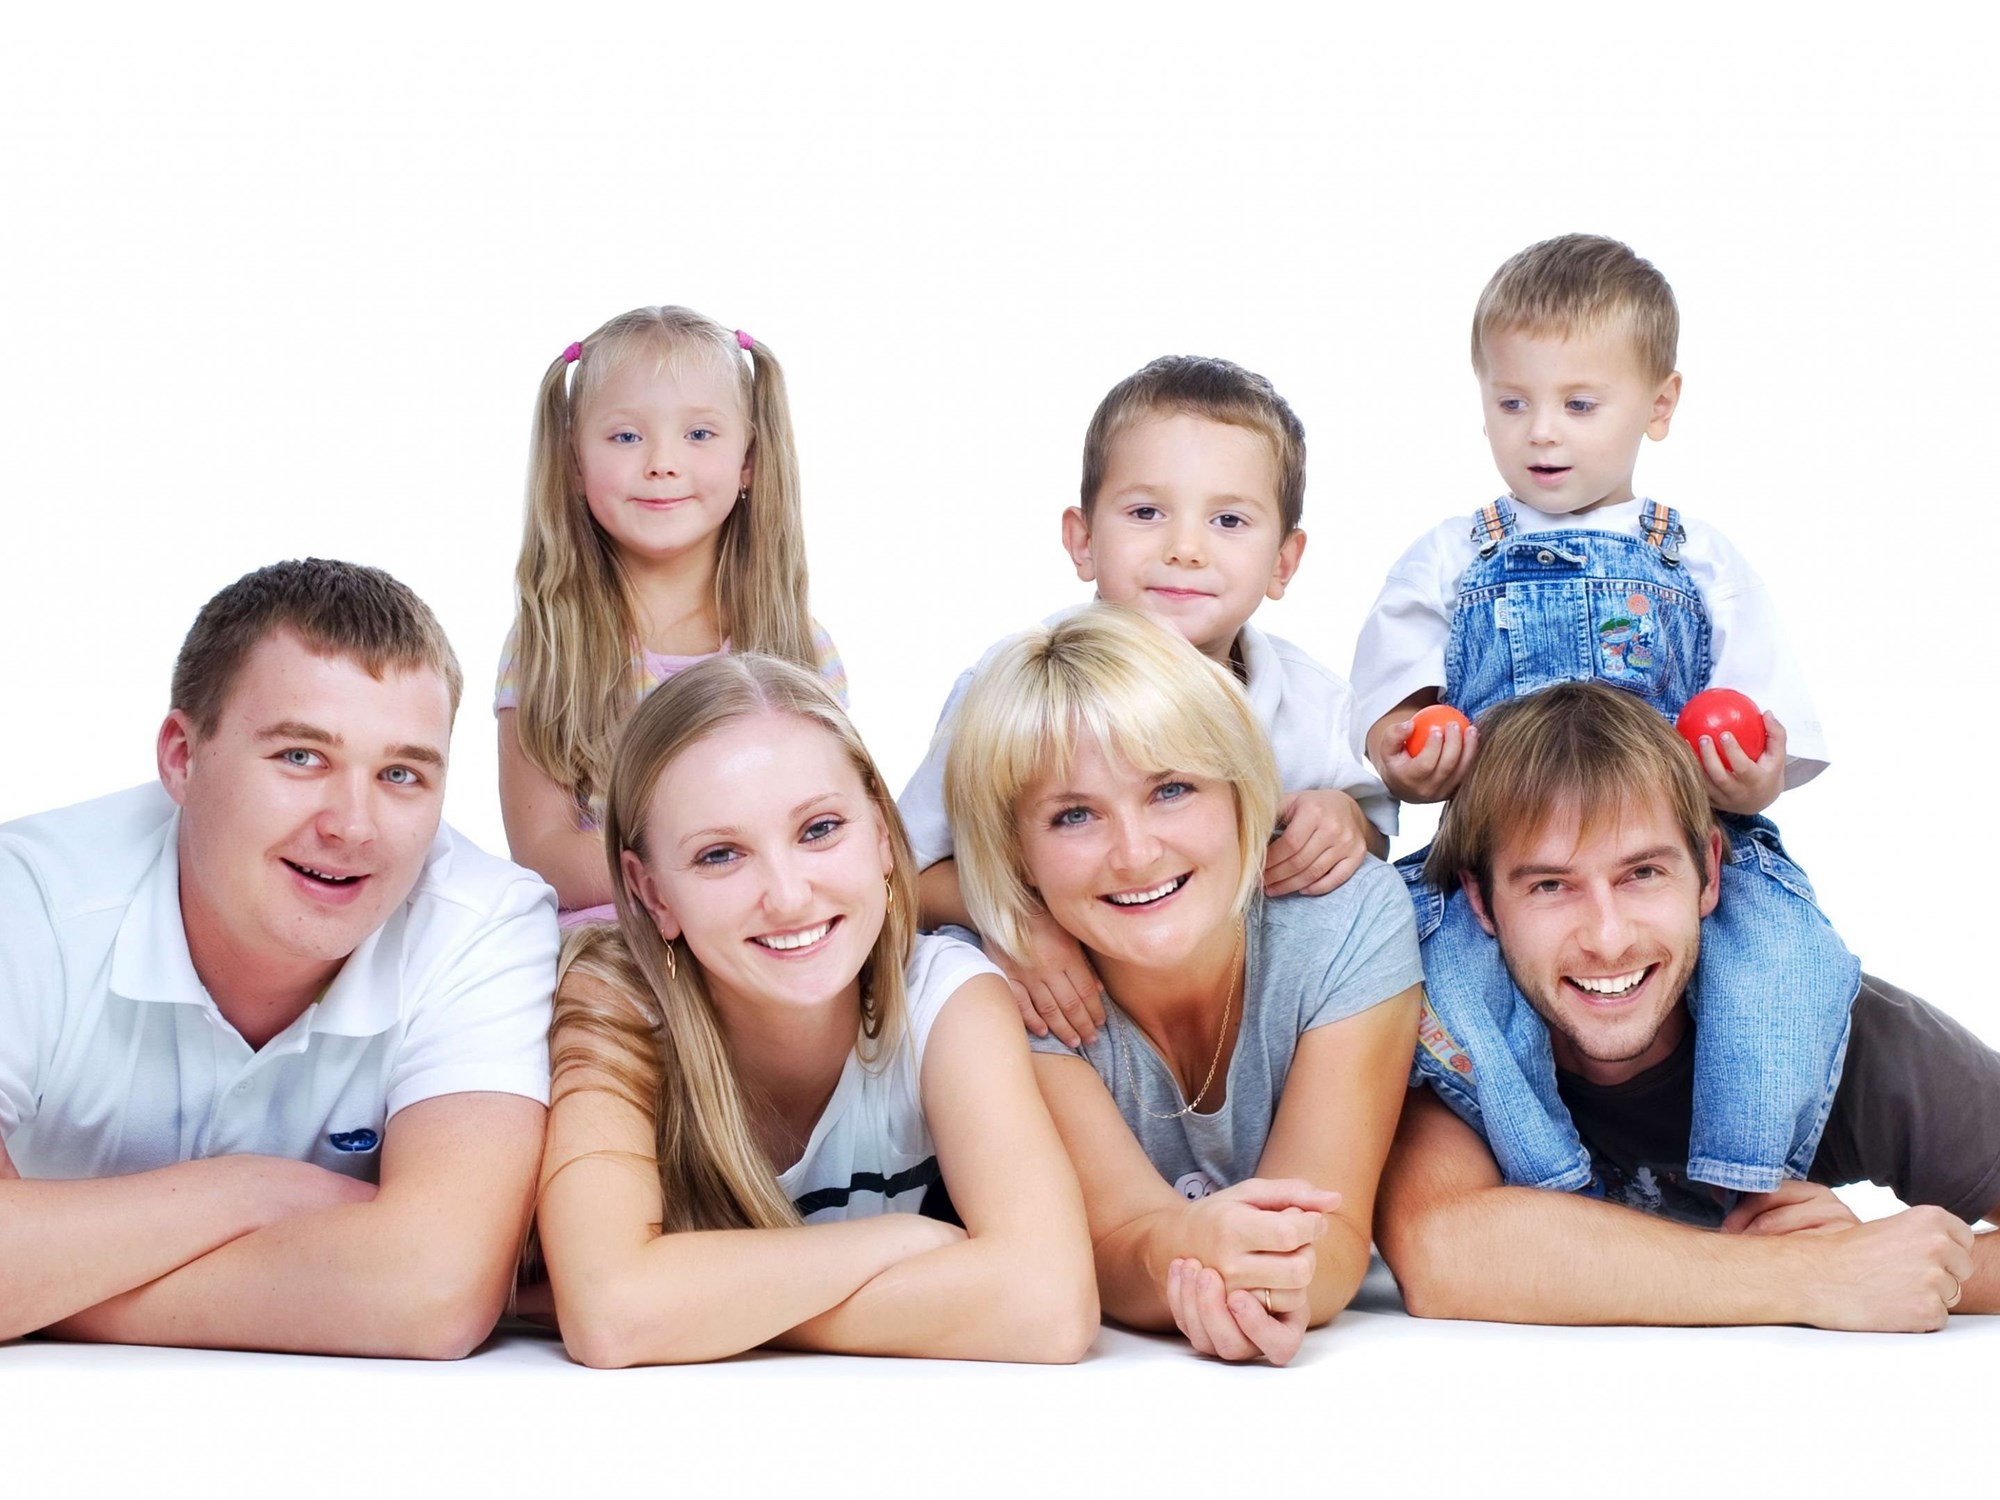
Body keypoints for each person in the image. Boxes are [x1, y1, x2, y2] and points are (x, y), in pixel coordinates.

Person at [1350, 234, 1853, 1196]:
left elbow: (1765, 725)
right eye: (1513, 403)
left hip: (1674, 848)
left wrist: (1750, 777)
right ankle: (1549, 1180)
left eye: (1580, 405)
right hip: (1506, 860)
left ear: (1659, 405)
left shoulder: (1695, 558)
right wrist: (1407, 753)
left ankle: (1742, 1178)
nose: (1542, 434)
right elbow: (1386, 707)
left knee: (1788, 966)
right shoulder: (1451, 557)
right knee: (1440, 991)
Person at [0, 559, 557, 1355]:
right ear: (182, 757)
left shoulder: (483, 923)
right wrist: (254, 1190)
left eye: (401, 774)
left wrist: (38, 1289)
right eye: (301, 756)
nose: (352, 826)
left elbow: (434, 1289)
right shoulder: (29, 900)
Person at [532, 653, 1096, 1367]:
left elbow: (1050, 1305)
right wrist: (903, 1242)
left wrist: (699, 1312)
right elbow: (612, 1314)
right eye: (719, 855)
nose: (789, 896)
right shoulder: (614, 1002)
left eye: (820, 829)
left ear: (883, 833)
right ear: (652, 894)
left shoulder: (946, 1000)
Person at [1376, 680, 1995, 1330]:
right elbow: (1441, 1250)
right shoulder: (1454, 1036)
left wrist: (1910, 1271)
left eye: (1643, 873)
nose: (1608, 939)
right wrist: (1811, 1272)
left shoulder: (1822, 1026)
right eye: (1551, 885)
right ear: (1481, 901)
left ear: (1708, 872)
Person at [944, 607, 1420, 1365]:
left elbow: (1330, 1231)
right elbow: (1110, 1243)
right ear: (1016, 852)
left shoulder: (1349, 919)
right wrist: (1196, 1261)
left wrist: (1273, 1283)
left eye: (1171, 790)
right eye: (1073, 815)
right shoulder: (1008, 987)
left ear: (1241, 790)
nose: (1135, 854)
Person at [901, 354, 1393, 1047]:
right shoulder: (1013, 696)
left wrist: (1342, 821)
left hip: (1232, 1029)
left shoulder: (1311, 702)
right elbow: (898, 873)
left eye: (1228, 520)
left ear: (1283, 562)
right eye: (1145, 512)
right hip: (1062, 1021)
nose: (1185, 548)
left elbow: (1373, 839)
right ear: (1082, 541)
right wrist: (1014, 920)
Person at [498, 306, 847, 925]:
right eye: (626, 437)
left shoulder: (800, 644)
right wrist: (695, 880)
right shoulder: (549, 643)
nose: (662, 461)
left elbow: (830, 827)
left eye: (700, 434)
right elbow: (544, 851)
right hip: (612, 941)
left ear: (748, 460)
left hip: (774, 927)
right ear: (575, 463)